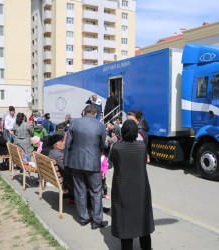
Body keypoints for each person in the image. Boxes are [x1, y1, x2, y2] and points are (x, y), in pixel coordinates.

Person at [109, 120, 155, 250]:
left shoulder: (117, 148)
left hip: (122, 188)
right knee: (143, 221)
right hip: (141, 188)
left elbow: (112, 161)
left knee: (125, 224)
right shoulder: (142, 147)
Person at [64, 104, 107, 229]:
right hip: (92, 163)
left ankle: (84, 218)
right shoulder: (100, 125)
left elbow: (68, 144)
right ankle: (97, 220)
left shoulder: (74, 122)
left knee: (80, 191)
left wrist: (67, 162)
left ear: (84, 112)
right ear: (95, 114)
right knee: (96, 192)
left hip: (76, 162)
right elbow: (102, 145)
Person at [48, 134, 74, 202]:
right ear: (56, 145)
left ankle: (72, 197)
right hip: (66, 180)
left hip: (57, 177)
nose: (64, 142)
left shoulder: (52, 152)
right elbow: (67, 170)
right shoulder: (59, 155)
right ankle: (89, 205)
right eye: (61, 141)